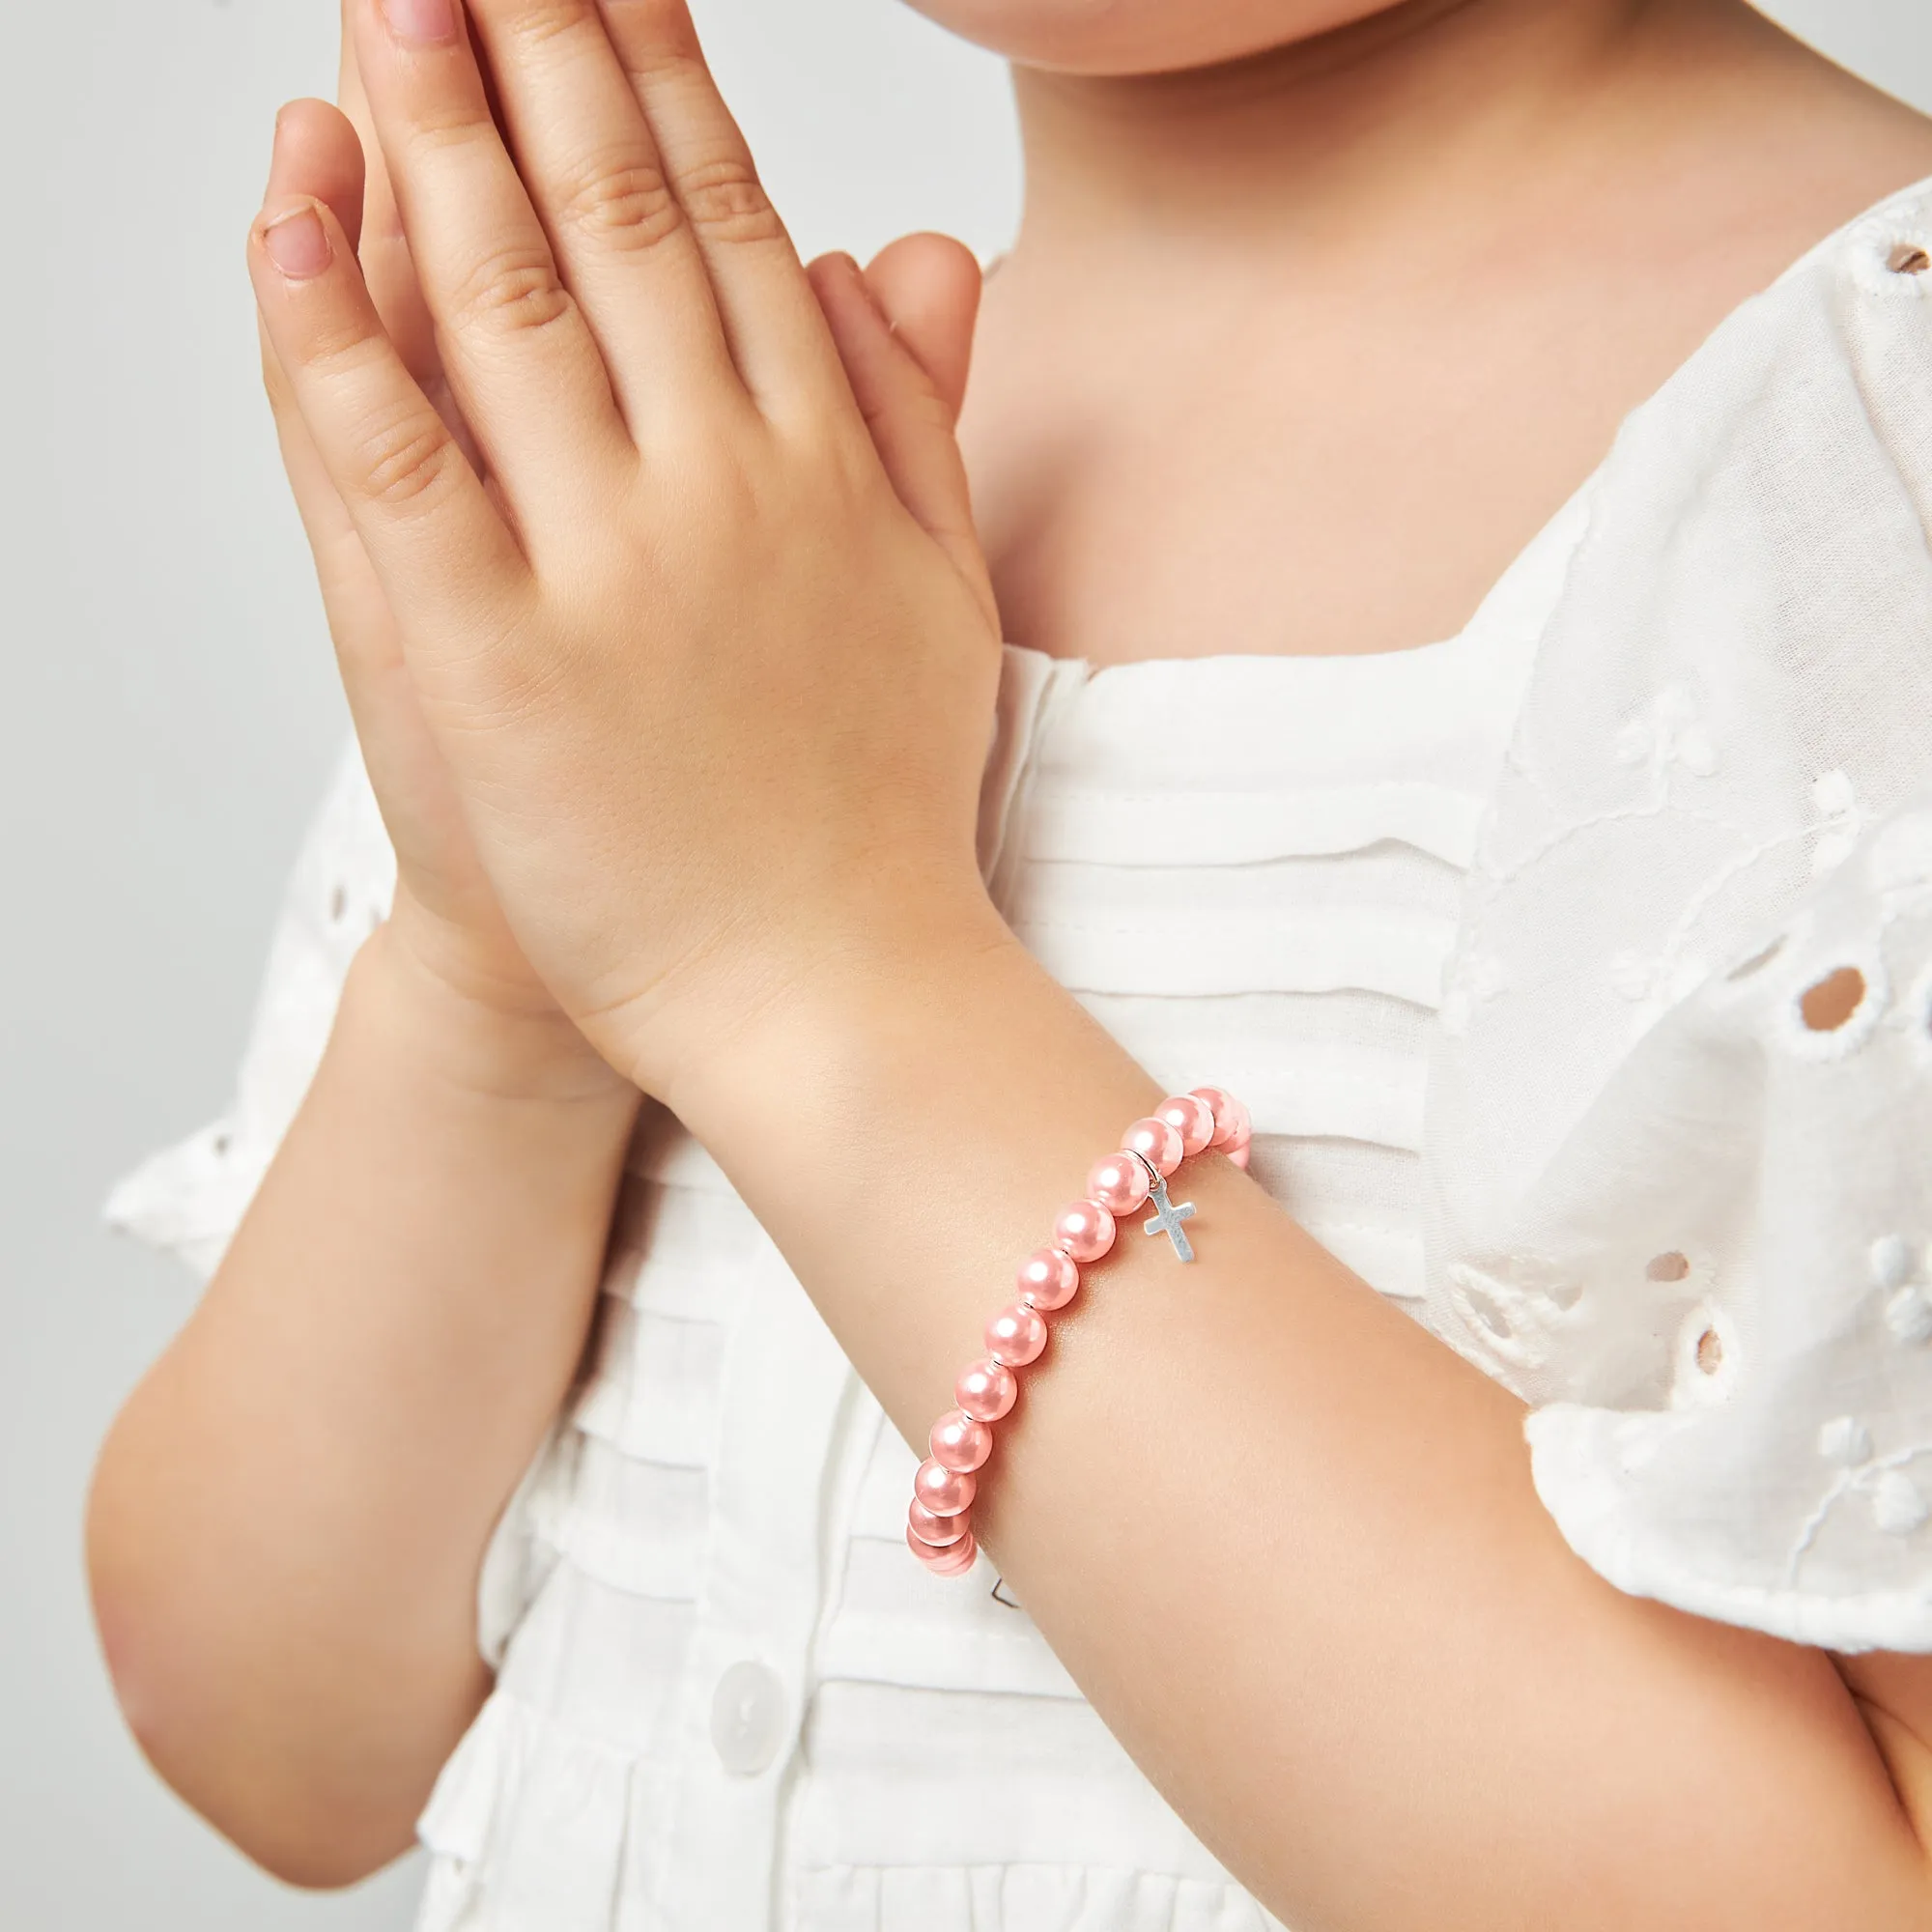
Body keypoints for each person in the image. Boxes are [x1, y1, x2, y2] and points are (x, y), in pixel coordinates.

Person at [84, 0, 1932, 1925]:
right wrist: (488, 975)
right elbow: (272, 1738)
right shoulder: (716, 508)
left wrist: (816, 969)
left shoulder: (1868, 453)